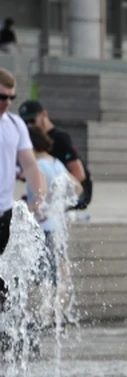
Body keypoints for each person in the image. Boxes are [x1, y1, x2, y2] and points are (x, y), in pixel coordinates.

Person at [0, 68, 45, 314]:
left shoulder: (15, 124)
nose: (6, 102)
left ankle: (8, 344)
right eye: (1, 97)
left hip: (4, 213)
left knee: (6, 284)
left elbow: (29, 163)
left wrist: (37, 197)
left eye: (11, 98)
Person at [26, 125, 82, 319]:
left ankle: (45, 314)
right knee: (58, 271)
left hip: (43, 227)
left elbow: (39, 197)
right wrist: (60, 206)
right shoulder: (56, 162)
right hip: (57, 225)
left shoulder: (38, 165)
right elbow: (77, 187)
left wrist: (25, 207)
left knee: (45, 275)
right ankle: (60, 312)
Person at [19, 100, 93, 210]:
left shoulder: (60, 139)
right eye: (25, 123)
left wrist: (50, 195)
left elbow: (80, 175)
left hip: (77, 192)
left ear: (44, 114)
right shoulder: (34, 138)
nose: (29, 125)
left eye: (32, 120)